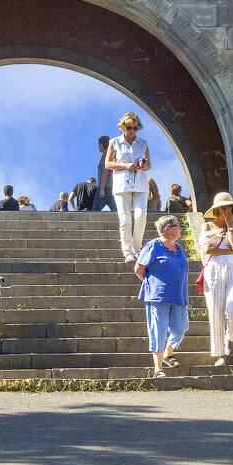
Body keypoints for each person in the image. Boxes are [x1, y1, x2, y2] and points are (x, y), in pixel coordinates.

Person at [135, 215, 189, 378]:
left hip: (179, 296)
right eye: (177, 226)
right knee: (158, 332)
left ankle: (168, 352)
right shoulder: (152, 246)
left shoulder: (179, 249)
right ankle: (158, 369)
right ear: (168, 229)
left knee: (180, 328)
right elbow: (139, 269)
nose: (180, 229)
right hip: (158, 296)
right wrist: (154, 283)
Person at [200, 191, 233, 367]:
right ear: (217, 209)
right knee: (216, 313)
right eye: (224, 207)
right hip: (214, 269)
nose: (227, 209)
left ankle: (230, 336)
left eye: (230, 207)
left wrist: (230, 226)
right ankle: (220, 354)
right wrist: (231, 251)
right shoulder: (207, 227)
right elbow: (208, 250)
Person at [106, 113, 151, 261]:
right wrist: (124, 165)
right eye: (129, 127)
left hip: (140, 184)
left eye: (135, 128)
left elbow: (148, 165)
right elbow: (108, 164)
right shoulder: (114, 142)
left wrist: (143, 166)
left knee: (141, 216)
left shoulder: (143, 143)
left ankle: (137, 247)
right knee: (125, 219)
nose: (132, 130)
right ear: (123, 127)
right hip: (121, 184)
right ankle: (127, 252)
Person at [93, 135, 116, 212]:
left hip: (105, 188)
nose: (98, 147)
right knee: (116, 211)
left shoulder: (106, 156)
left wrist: (102, 189)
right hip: (111, 187)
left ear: (102, 145)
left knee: (94, 213)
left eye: (99, 144)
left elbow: (105, 172)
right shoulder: (111, 155)